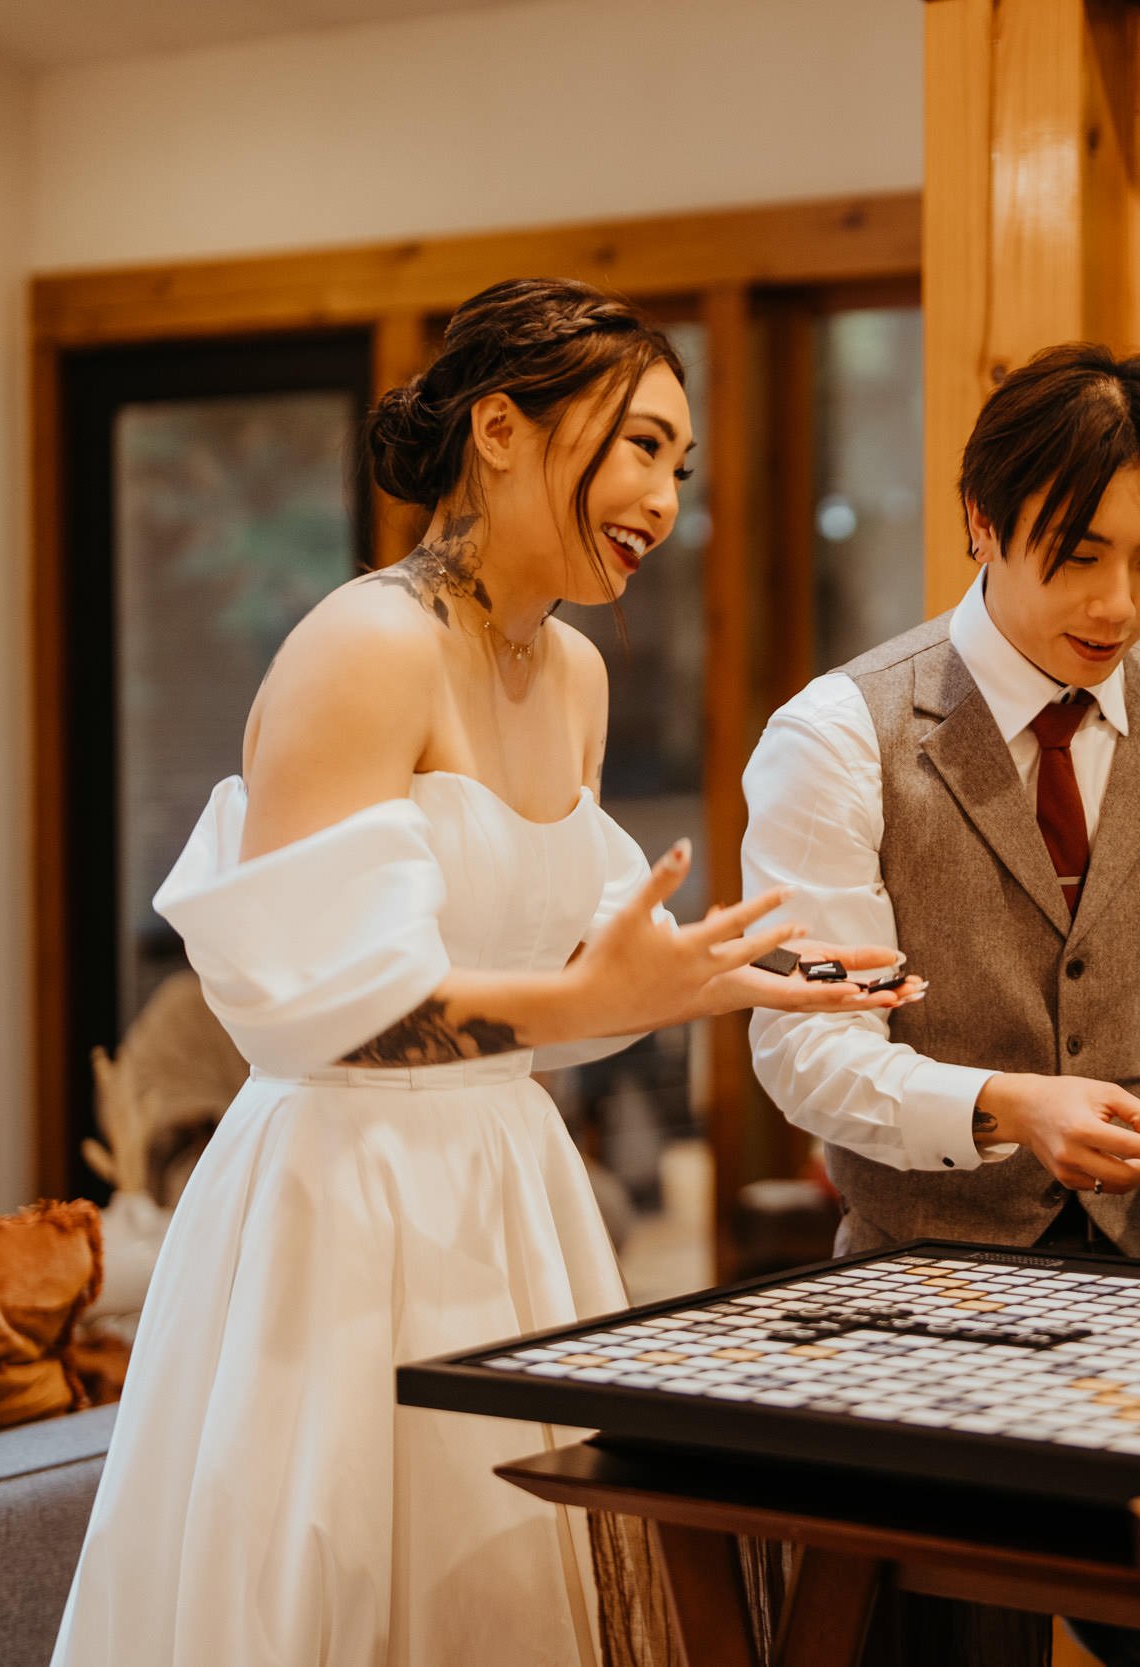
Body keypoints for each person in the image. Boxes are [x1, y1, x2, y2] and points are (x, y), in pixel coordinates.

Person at [50, 278, 911, 1667]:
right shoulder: (366, 646)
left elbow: (558, 981)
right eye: (638, 446)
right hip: (342, 1196)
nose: (664, 501)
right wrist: (596, 1002)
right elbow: (319, 1015)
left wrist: (727, 975)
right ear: (500, 428)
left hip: (507, 1186)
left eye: (679, 467)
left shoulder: (572, 672)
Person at [741, 341, 1140, 1666]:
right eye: (1077, 553)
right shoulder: (837, 737)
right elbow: (809, 1050)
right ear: (980, 524)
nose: (1119, 603)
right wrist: (999, 1104)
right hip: (926, 1310)